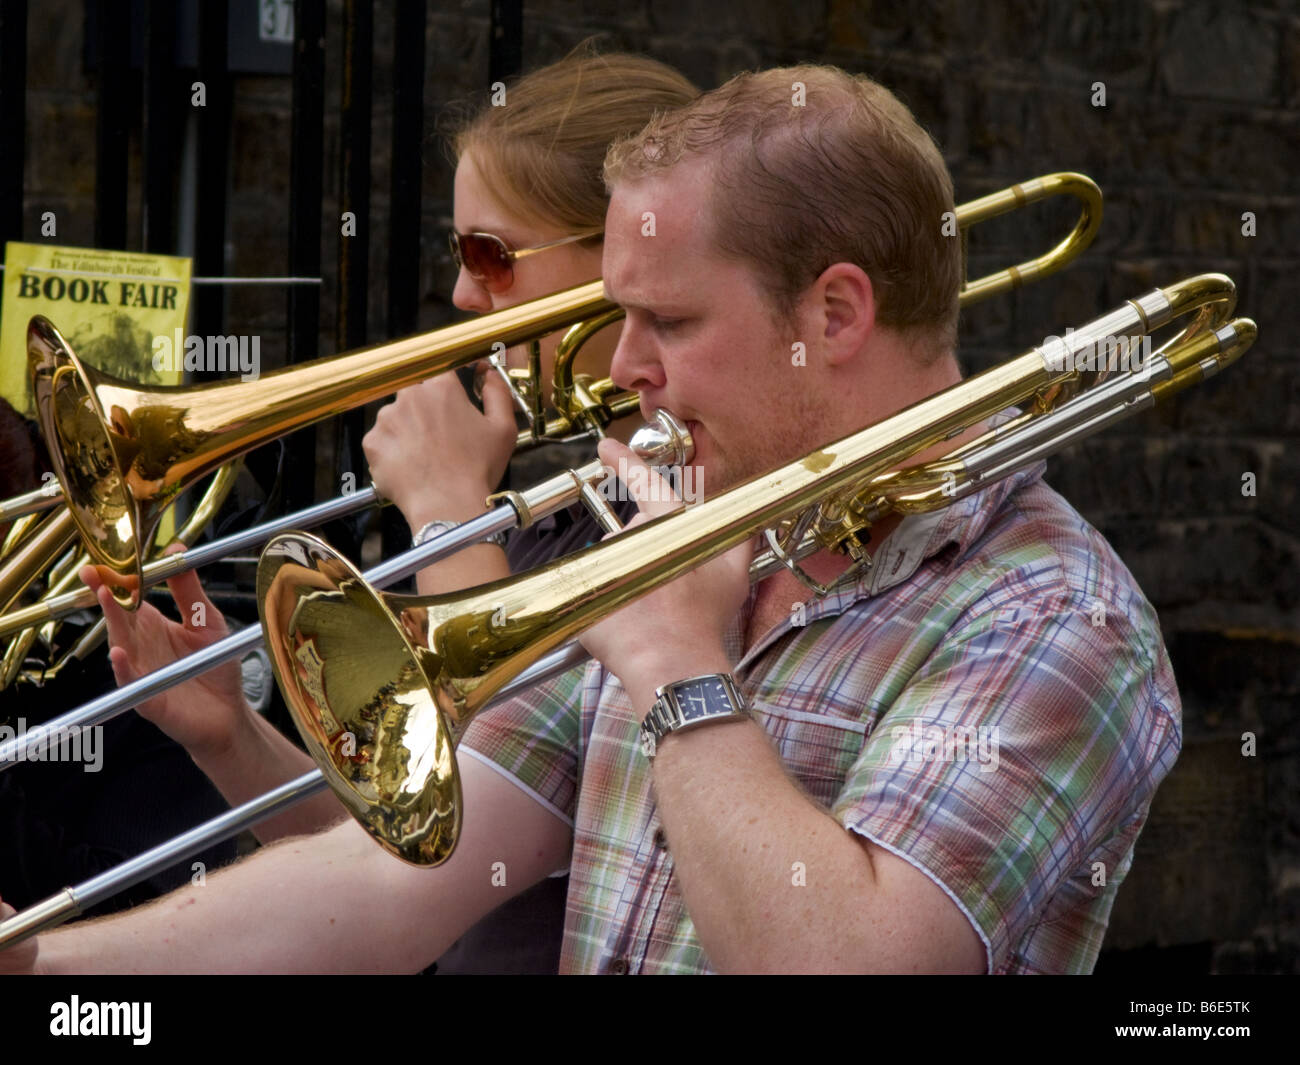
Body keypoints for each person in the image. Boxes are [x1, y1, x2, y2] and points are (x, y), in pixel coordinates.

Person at [1, 63, 1180, 975]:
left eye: (666, 322)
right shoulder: (708, 536)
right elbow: (394, 886)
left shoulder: (1048, 612)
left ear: (831, 313)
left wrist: (679, 663)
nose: (623, 366)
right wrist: (50, 958)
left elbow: (842, 961)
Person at [0, 49, 697, 974]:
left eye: (490, 256)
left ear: (620, 260)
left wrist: (451, 514)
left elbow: (458, 847)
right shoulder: (555, 507)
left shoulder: (681, 523)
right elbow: (401, 846)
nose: (458, 295)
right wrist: (232, 735)